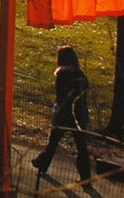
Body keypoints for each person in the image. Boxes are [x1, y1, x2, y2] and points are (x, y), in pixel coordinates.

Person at [32, 46, 92, 186]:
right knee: (81, 147)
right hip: (80, 114)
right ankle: (86, 177)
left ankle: (42, 164)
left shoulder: (62, 74)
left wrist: (56, 111)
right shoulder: (80, 74)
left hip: (64, 114)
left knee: (53, 142)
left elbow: (60, 96)